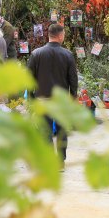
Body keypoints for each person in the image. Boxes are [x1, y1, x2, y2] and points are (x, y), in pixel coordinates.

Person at [28, 24, 78, 164]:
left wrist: (32, 98)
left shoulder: (36, 54)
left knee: (45, 131)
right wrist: (73, 96)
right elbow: (73, 78)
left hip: (43, 99)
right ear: (60, 36)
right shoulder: (67, 54)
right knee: (62, 131)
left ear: (48, 35)